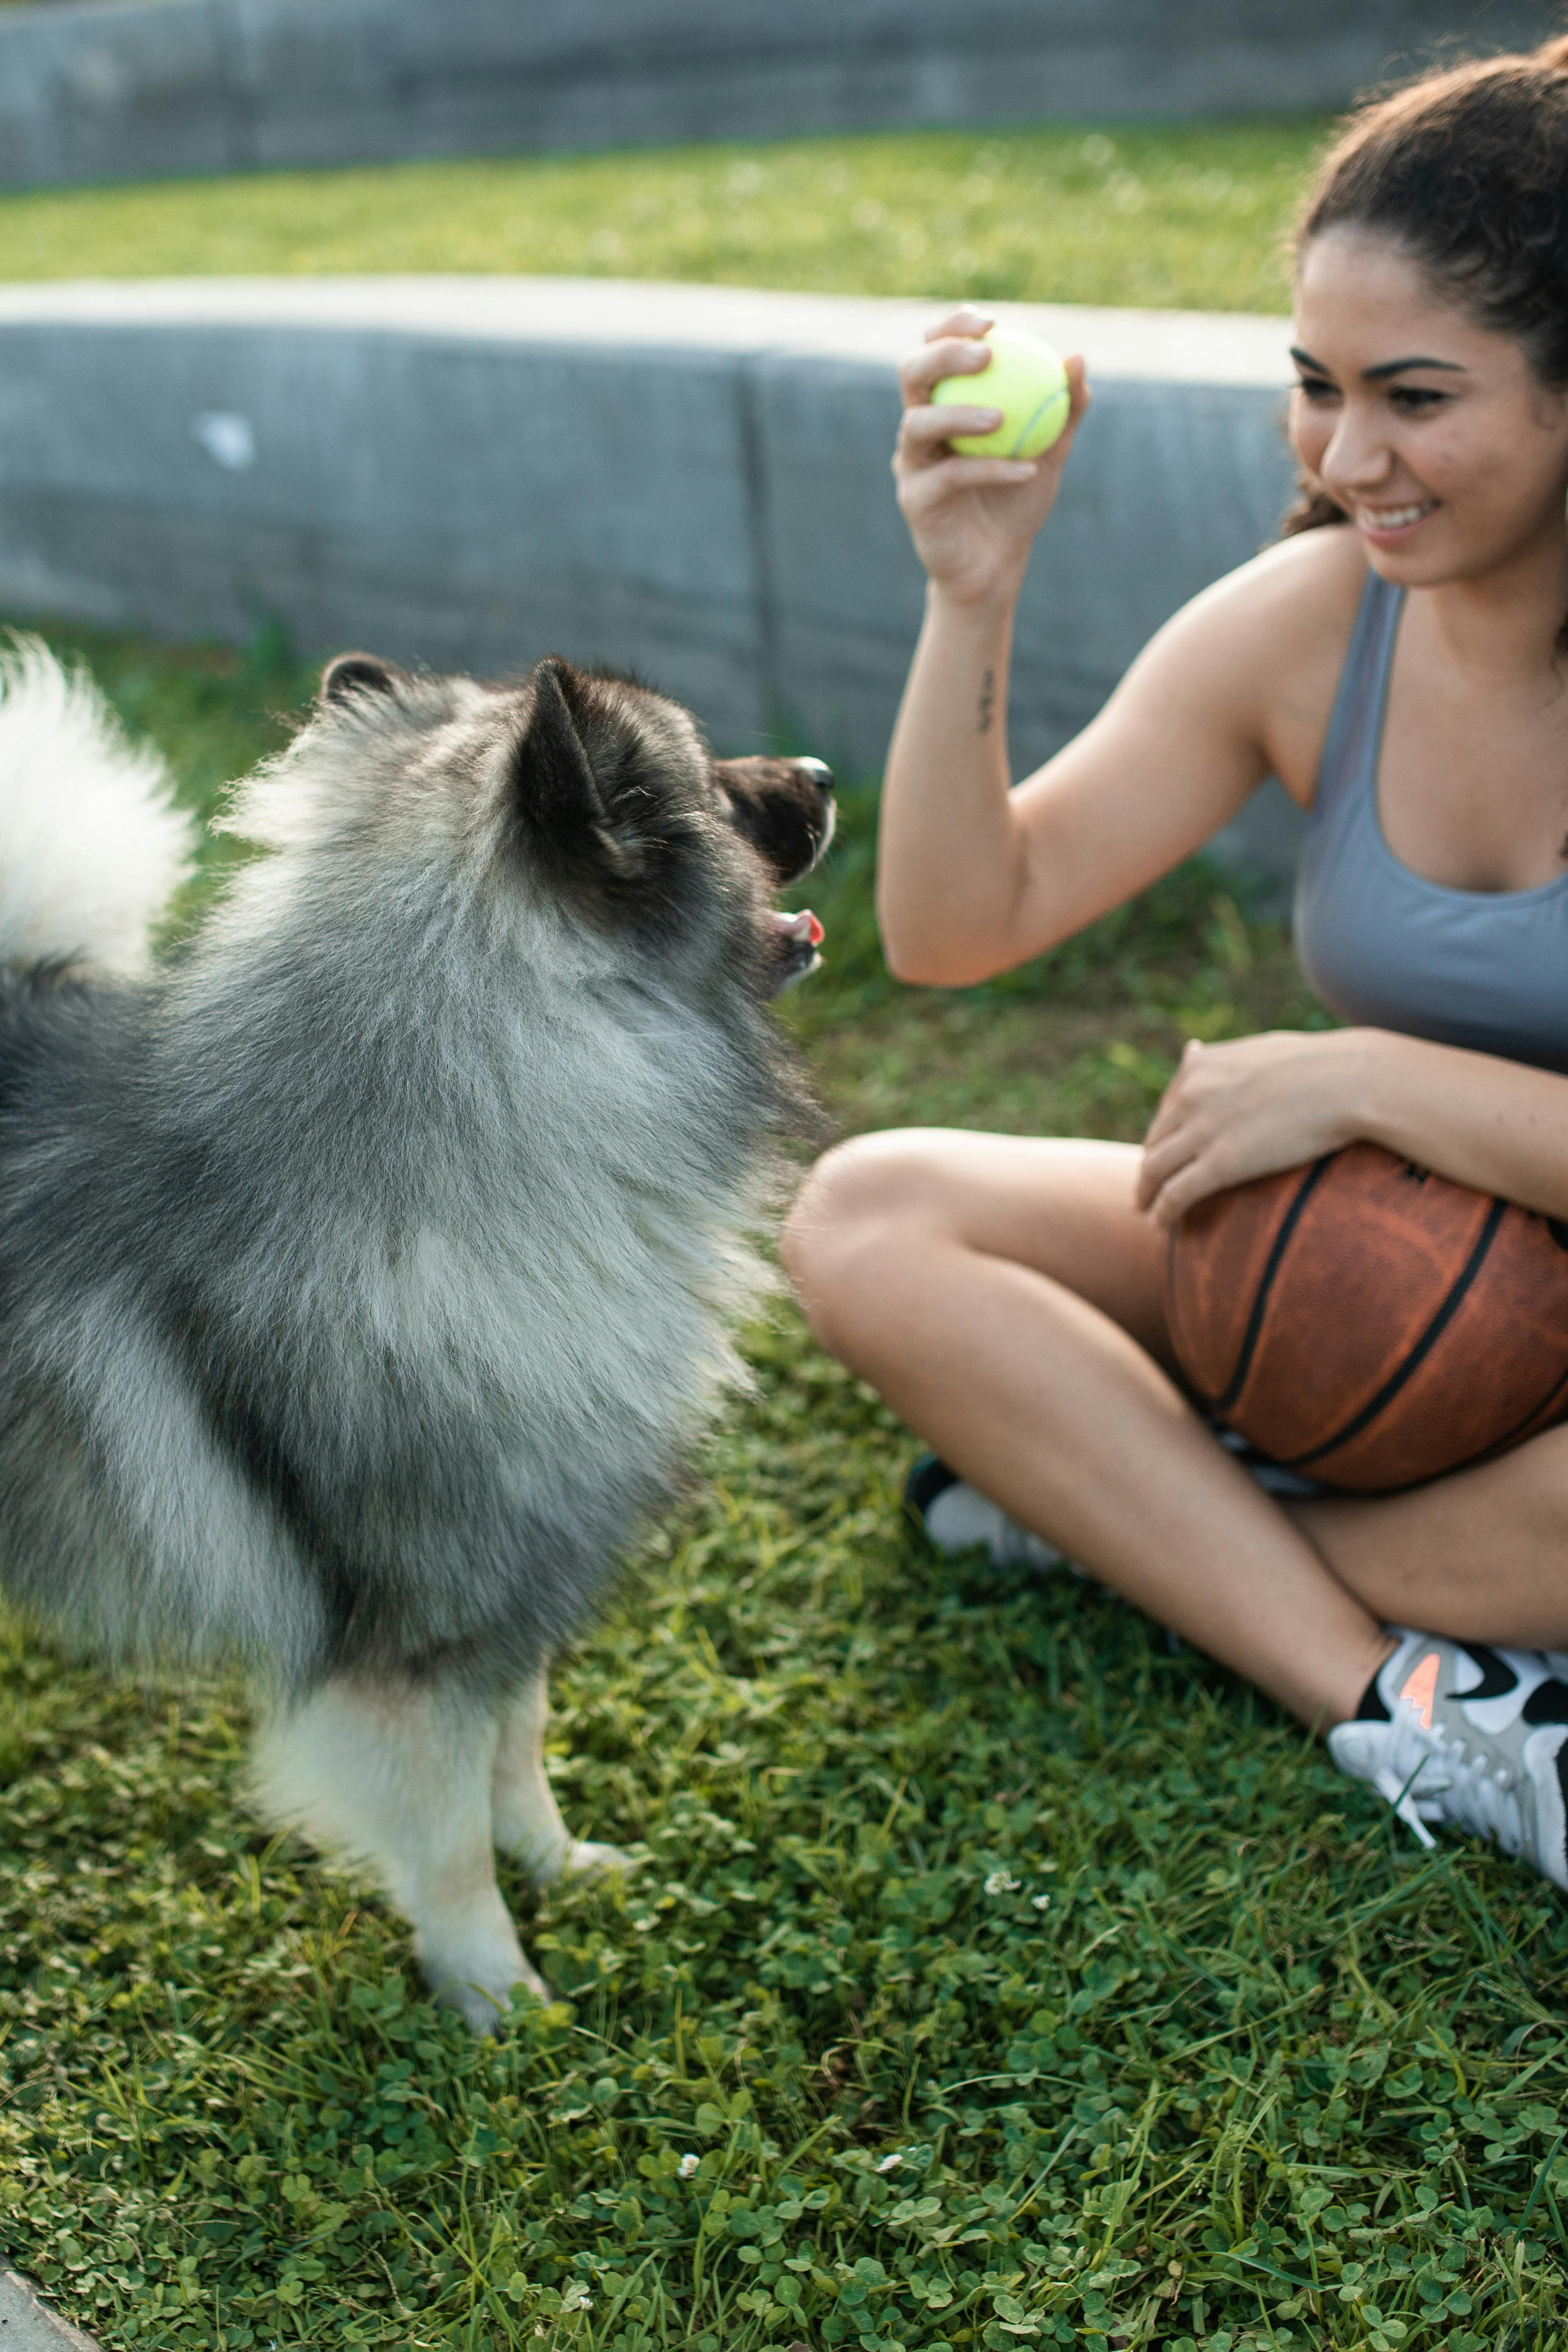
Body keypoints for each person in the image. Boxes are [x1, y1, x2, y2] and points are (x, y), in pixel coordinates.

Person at [782, 37, 1568, 1889]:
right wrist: (970, 587)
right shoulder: (1312, 624)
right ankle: (1407, 1702)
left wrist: (1367, 1075)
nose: (1343, 457)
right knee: (872, 1208)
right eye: (1312, 387)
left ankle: (1116, 1514)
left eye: (1414, 396)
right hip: (1375, 1278)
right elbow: (959, 925)